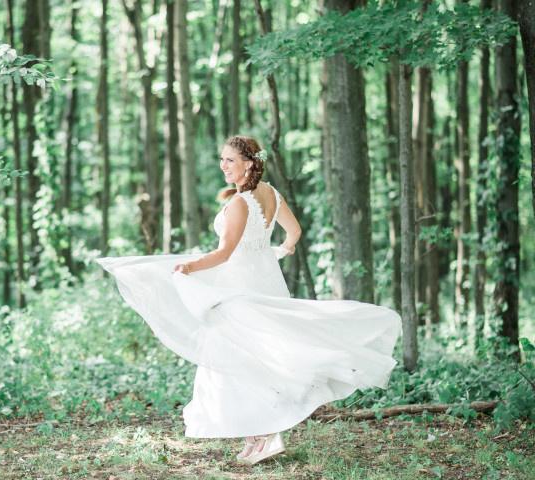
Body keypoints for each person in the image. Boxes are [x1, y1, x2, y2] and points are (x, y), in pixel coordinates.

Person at [96, 135, 402, 465]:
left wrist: (189, 266)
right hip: (267, 284)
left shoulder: (241, 203)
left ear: (249, 163)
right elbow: (294, 232)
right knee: (258, 361)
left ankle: (264, 436)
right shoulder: (271, 193)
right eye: (222, 159)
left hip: (240, 291)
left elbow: (224, 252)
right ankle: (259, 437)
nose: (223, 166)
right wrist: (277, 252)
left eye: (230, 160)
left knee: (234, 362)